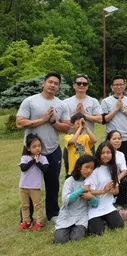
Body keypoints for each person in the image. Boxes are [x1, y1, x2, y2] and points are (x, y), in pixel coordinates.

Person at [16, 71, 71, 222]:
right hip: (30, 150)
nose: (53, 85)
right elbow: (19, 122)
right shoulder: (30, 101)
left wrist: (53, 121)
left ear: (58, 87)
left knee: (53, 183)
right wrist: (42, 120)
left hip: (52, 149)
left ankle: (53, 213)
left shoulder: (61, 104)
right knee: (29, 183)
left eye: (56, 84)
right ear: (44, 83)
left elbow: (67, 128)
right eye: (50, 82)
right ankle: (27, 216)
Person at [54, 155, 98, 243]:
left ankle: (77, 229)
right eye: (86, 167)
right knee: (60, 240)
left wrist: (91, 198)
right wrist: (81, 189)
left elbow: (96, 203)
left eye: (92, 168)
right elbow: (65, 200)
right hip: (67, 213)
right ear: (79, 167)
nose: (89, 170)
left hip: (81, 215)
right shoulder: (69, 181)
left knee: (76, 239)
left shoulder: (91, 182)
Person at [85, 141, 125, 235]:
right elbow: (87, 191)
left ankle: (106, 219)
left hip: (107, 205)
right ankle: (99, 221)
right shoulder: (94, 169)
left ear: (112, 154)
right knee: (97, 232)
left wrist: (108, 190)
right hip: (94, 206)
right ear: (98, 154)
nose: (105, 155)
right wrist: (103, 191)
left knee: (119, 225)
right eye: (103, 153)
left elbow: (116, 191)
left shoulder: (113, 168)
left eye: (108, 152)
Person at [101, 75, 127, 172]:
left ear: (124, 85)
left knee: (126, 168)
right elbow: (104, 120)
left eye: (121, 84)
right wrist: (116, 109)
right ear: (112, 87)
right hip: (111, 140)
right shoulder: (106, 101)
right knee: (109, 168)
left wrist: (122, 109)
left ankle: (124, 187)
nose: (119, 87)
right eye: (116, 85)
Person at [18, 134, 49, 231]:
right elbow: (23, 168)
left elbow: (45, 169)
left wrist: (38, 162)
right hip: (23, 186)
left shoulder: (43, 158)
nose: (37, 148)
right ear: (28, 148)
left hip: (35, 187)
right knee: (25, 205)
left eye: (39, 146)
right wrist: (33, 161)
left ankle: (39, 222)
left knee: (37, 205)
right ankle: (26, 221)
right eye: (34, 146)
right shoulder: (25, 158)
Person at [106, 131, 127, 207]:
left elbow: (124, 171)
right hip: (105, 180)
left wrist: (116, 179)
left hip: (116, 179)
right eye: (114, 139)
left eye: (119, 138)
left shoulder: (121, 154)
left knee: (126, 180)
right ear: (109, 141)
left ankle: (121, 203)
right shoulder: (104, 153)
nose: (117, 141)